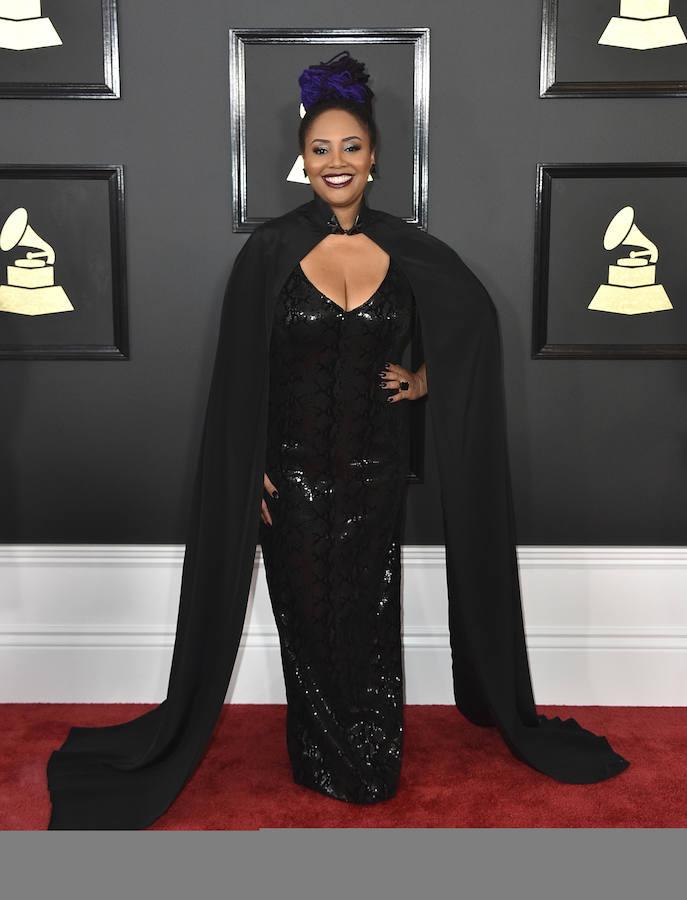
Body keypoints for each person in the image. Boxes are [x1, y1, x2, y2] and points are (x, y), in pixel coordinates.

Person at [47, 51, 629, 830]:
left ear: (374, 156)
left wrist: (423, 382)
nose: (336, 161)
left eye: (350, 147)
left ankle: (371, 752)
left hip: (374, 474)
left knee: (365, 612)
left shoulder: (406, 248)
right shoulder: (269, 251)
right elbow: (239, 376)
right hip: (290, 481)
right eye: (320, 148)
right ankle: (322, 755)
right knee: (310, 618)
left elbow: (472, 328)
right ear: (303, 158)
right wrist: (245, 466)